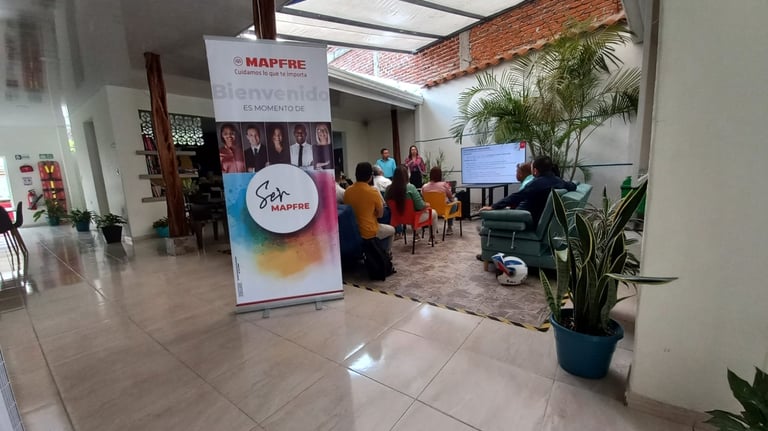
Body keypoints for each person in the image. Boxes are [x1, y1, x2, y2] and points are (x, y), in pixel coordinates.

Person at [479, 155, 576, 226]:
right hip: (537, 217)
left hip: (525, 218)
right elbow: (573, 186)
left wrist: (493, 207)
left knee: (486, 216)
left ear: (535, 170)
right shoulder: (559, 181)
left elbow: (516, 196)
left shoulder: (537, 183)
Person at [344, 162, 395, 252]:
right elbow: (380, 215)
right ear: (370, 176)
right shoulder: (372, 191)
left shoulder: (347, 191)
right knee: (391, 230)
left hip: (353, 230)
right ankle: (384, 255)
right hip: (369, 231)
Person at [385, 165, 438, 239]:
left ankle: (417, 235)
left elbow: (387, 204)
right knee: (433, 213)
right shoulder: (410, 188)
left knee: (414, 211)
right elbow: (420, 206)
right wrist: (426, 204)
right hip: (412, 218)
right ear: (407, 175)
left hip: (396, 218)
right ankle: (432, 238)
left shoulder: (388, 189)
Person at [421, 166, 458, 235]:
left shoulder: (424, 187)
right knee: (455, 201)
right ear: (440, 175)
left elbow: (423, 199)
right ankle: (449, 227)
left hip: (430, 211)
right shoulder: (444, 185)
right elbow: (450, 197)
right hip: (443, 210)